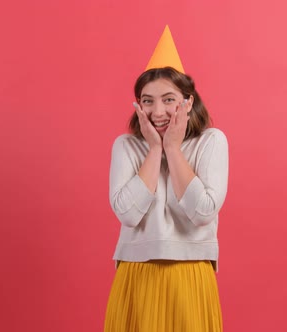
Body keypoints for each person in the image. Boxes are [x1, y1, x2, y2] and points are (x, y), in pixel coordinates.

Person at [104, 26, 229, 332]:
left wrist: (172, 148)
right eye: (147, 101)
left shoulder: (211, 142)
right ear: (138, 104)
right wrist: (154, 148)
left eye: (168, 99)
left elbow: (202, 212)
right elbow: (129, 215)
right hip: (136, 275)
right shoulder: (126, 147)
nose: (157, 111)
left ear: (187, 102)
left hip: (191, 275)